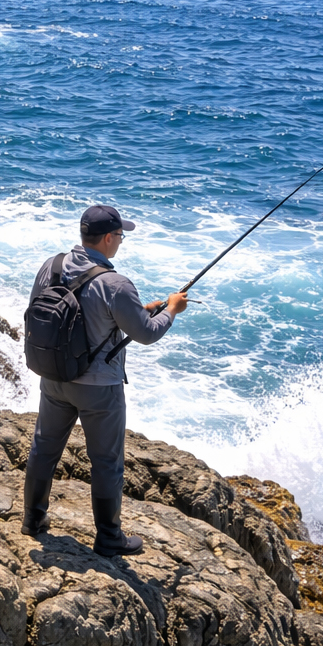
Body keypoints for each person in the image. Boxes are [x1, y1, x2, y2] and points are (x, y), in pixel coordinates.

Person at [21, 204, 189, 555]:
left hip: (54, 376)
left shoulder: (49, 266)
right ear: (109, 238)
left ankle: (32, 520)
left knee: (44, 449)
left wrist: (136, 312)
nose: (122, 242)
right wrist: (172, 309)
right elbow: (147, 335)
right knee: (106, 461)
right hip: (99, 389)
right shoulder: (115, 283)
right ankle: (110, 537)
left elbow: (66, 314)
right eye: (121, 236)